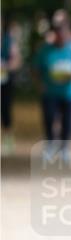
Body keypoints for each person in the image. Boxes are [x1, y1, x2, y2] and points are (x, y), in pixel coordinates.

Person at [34, 13, 71, 164]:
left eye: (64, 31)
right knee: (49, 118)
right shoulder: (45, 50)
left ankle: (65, 148)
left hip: (69, 92)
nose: (61, 35)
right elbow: (36, 69)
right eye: (58, 32)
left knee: (68, 120)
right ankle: (51, 144)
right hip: (50, 92)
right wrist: (40, 84)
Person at [1, 15, 22, 156]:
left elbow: (17, 61)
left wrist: (5, 66)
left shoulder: (8, 40)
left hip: (4, 81)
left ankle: (8, 140)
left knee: (5, 110)